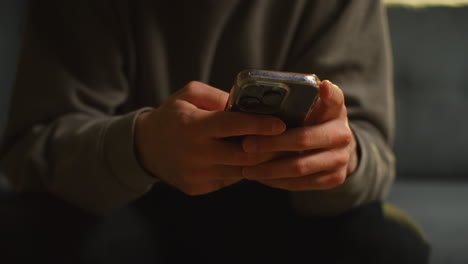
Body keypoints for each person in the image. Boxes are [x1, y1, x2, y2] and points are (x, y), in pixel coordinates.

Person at [0, 0, 429, 263]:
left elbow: (371, 154)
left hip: (287, 210)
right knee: (28, 232)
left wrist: (340, 160)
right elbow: (32, 150)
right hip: (128, 199)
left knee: (385, 248)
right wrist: (141, 147)